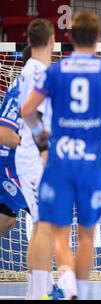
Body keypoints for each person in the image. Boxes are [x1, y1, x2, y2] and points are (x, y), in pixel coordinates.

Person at [20, 11, 101, 300]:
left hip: (59, 161)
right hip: (92, 162)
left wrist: (40, 137)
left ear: (70, 37)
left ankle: (68, 283)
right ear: (98, 38)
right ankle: (80, 293)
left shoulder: (55, 71)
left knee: (59, 230)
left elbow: (27, 112)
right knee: (87, 235)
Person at [13, 20, 61, 300]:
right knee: (43, 226)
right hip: (33, 159)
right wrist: (44, 150)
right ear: (52, 40)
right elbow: (30, 113)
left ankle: (39, 290)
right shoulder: (36, 71)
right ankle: (38, 294)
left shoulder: (33, 69)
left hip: (33, 157)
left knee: (42, 225)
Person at [0, 47, 32, 238]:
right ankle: (59, 268)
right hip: (11, 166)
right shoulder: (22, 89)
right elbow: (3, 132)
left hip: (21, 164)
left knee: (7, 222)